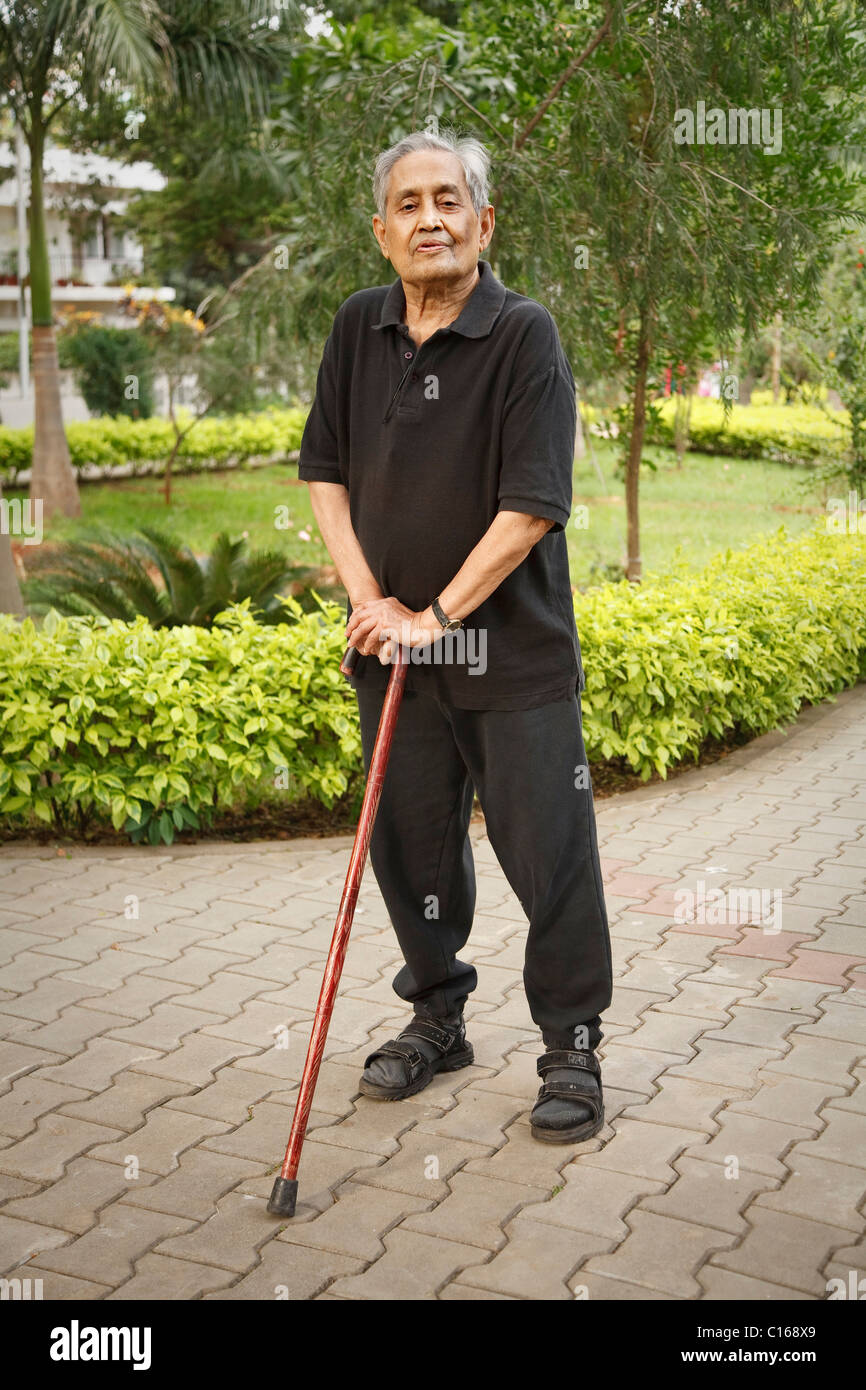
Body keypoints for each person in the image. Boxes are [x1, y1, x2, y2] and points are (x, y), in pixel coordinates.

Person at [297, 129, 612, 1143]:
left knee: (546, 851)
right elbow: (326, 476)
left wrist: (433, 617)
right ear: (381, 228)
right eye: (408, 203)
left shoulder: (523, 334)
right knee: (410, 848)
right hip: (395, 657)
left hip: (507, 656)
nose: (428, 218)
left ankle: (569, 1043)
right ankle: (437, 1015)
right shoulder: (358, 326)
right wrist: (374, 610)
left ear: (484, 221)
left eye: (448, 200)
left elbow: (530, 506)